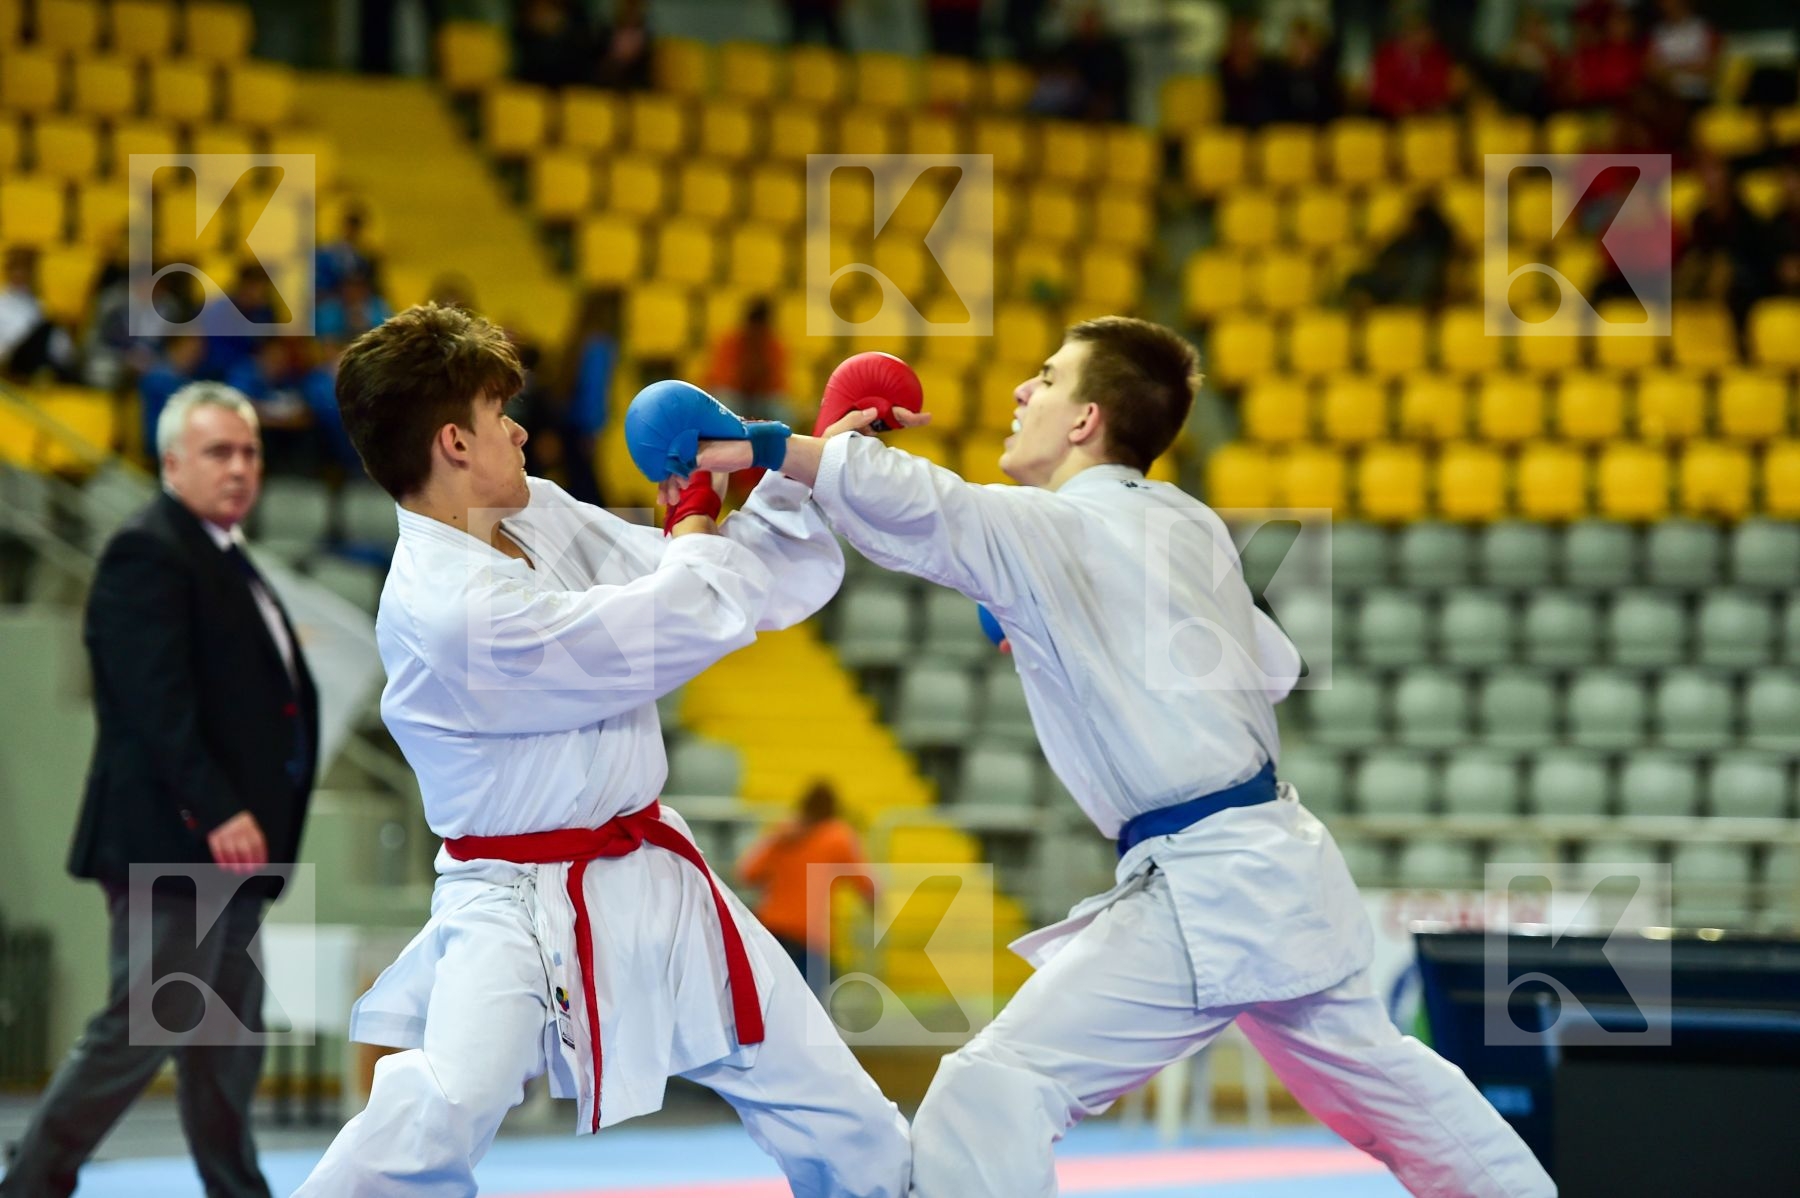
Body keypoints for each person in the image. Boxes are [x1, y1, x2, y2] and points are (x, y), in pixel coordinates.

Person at [682, 317, 1557, 1198]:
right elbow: (1274, 666)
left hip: (1208, 882)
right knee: (1397, 1095)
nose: (1023, 391)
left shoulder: (1056, 527)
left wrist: (762, 446)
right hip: (1274, 862)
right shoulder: (1191, 524)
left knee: (992, 1090)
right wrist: (1052, 622)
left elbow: (935, 506)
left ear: (1084, 420)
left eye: (1047, 378)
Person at [291, 303, 908, 1196]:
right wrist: (696, 512)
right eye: (501, 416)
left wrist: (798, 459)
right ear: (455, 444)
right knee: (440, 1113)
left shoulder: (534, 511)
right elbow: (678, 615)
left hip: (653, 868)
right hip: (513, 903)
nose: (523, 431)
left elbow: (714, 578)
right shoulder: (451, 609)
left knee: (830, 1101)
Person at [0, 383, 318, 1198]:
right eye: (219, 452)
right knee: (144, 1027)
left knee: (225, 1048)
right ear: (172, 462)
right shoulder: (149, 550)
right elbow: (153, 703)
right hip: (178, 842)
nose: (240, 467)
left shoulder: (223, 555)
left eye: (249, 452)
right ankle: (32, 1182)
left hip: (232, 855)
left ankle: (238, 1190)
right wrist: (217, 809)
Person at [738, 781, 875, 995]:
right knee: (811, 1011)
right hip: (811, 936)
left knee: (773, 1002)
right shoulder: (837, 836)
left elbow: (747, 873)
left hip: (772, 930)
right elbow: (866, 883)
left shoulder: (784, 834)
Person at [704, 296, 790, 425]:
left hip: (762, 397)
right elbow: (721, 379)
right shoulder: (731, 342)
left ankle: (781, 443)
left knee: (781, 410)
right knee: (727, 402)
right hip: (735, 393)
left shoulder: (773, 346)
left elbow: (776, 383)